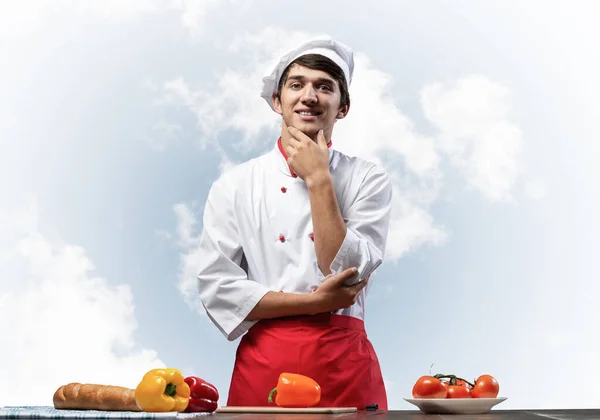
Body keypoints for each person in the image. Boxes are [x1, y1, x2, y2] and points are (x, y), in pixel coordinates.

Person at [195, 36, 393, 410]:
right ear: (277, 101)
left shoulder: (367, 178)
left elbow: (346, 270)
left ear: (343, 107)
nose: (309, 96)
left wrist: (318, 178)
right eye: (297, 84)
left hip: (343, 364)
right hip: (266, 364)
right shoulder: (235, 184)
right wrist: (315, 301)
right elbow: (217, 287)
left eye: (324, 87)